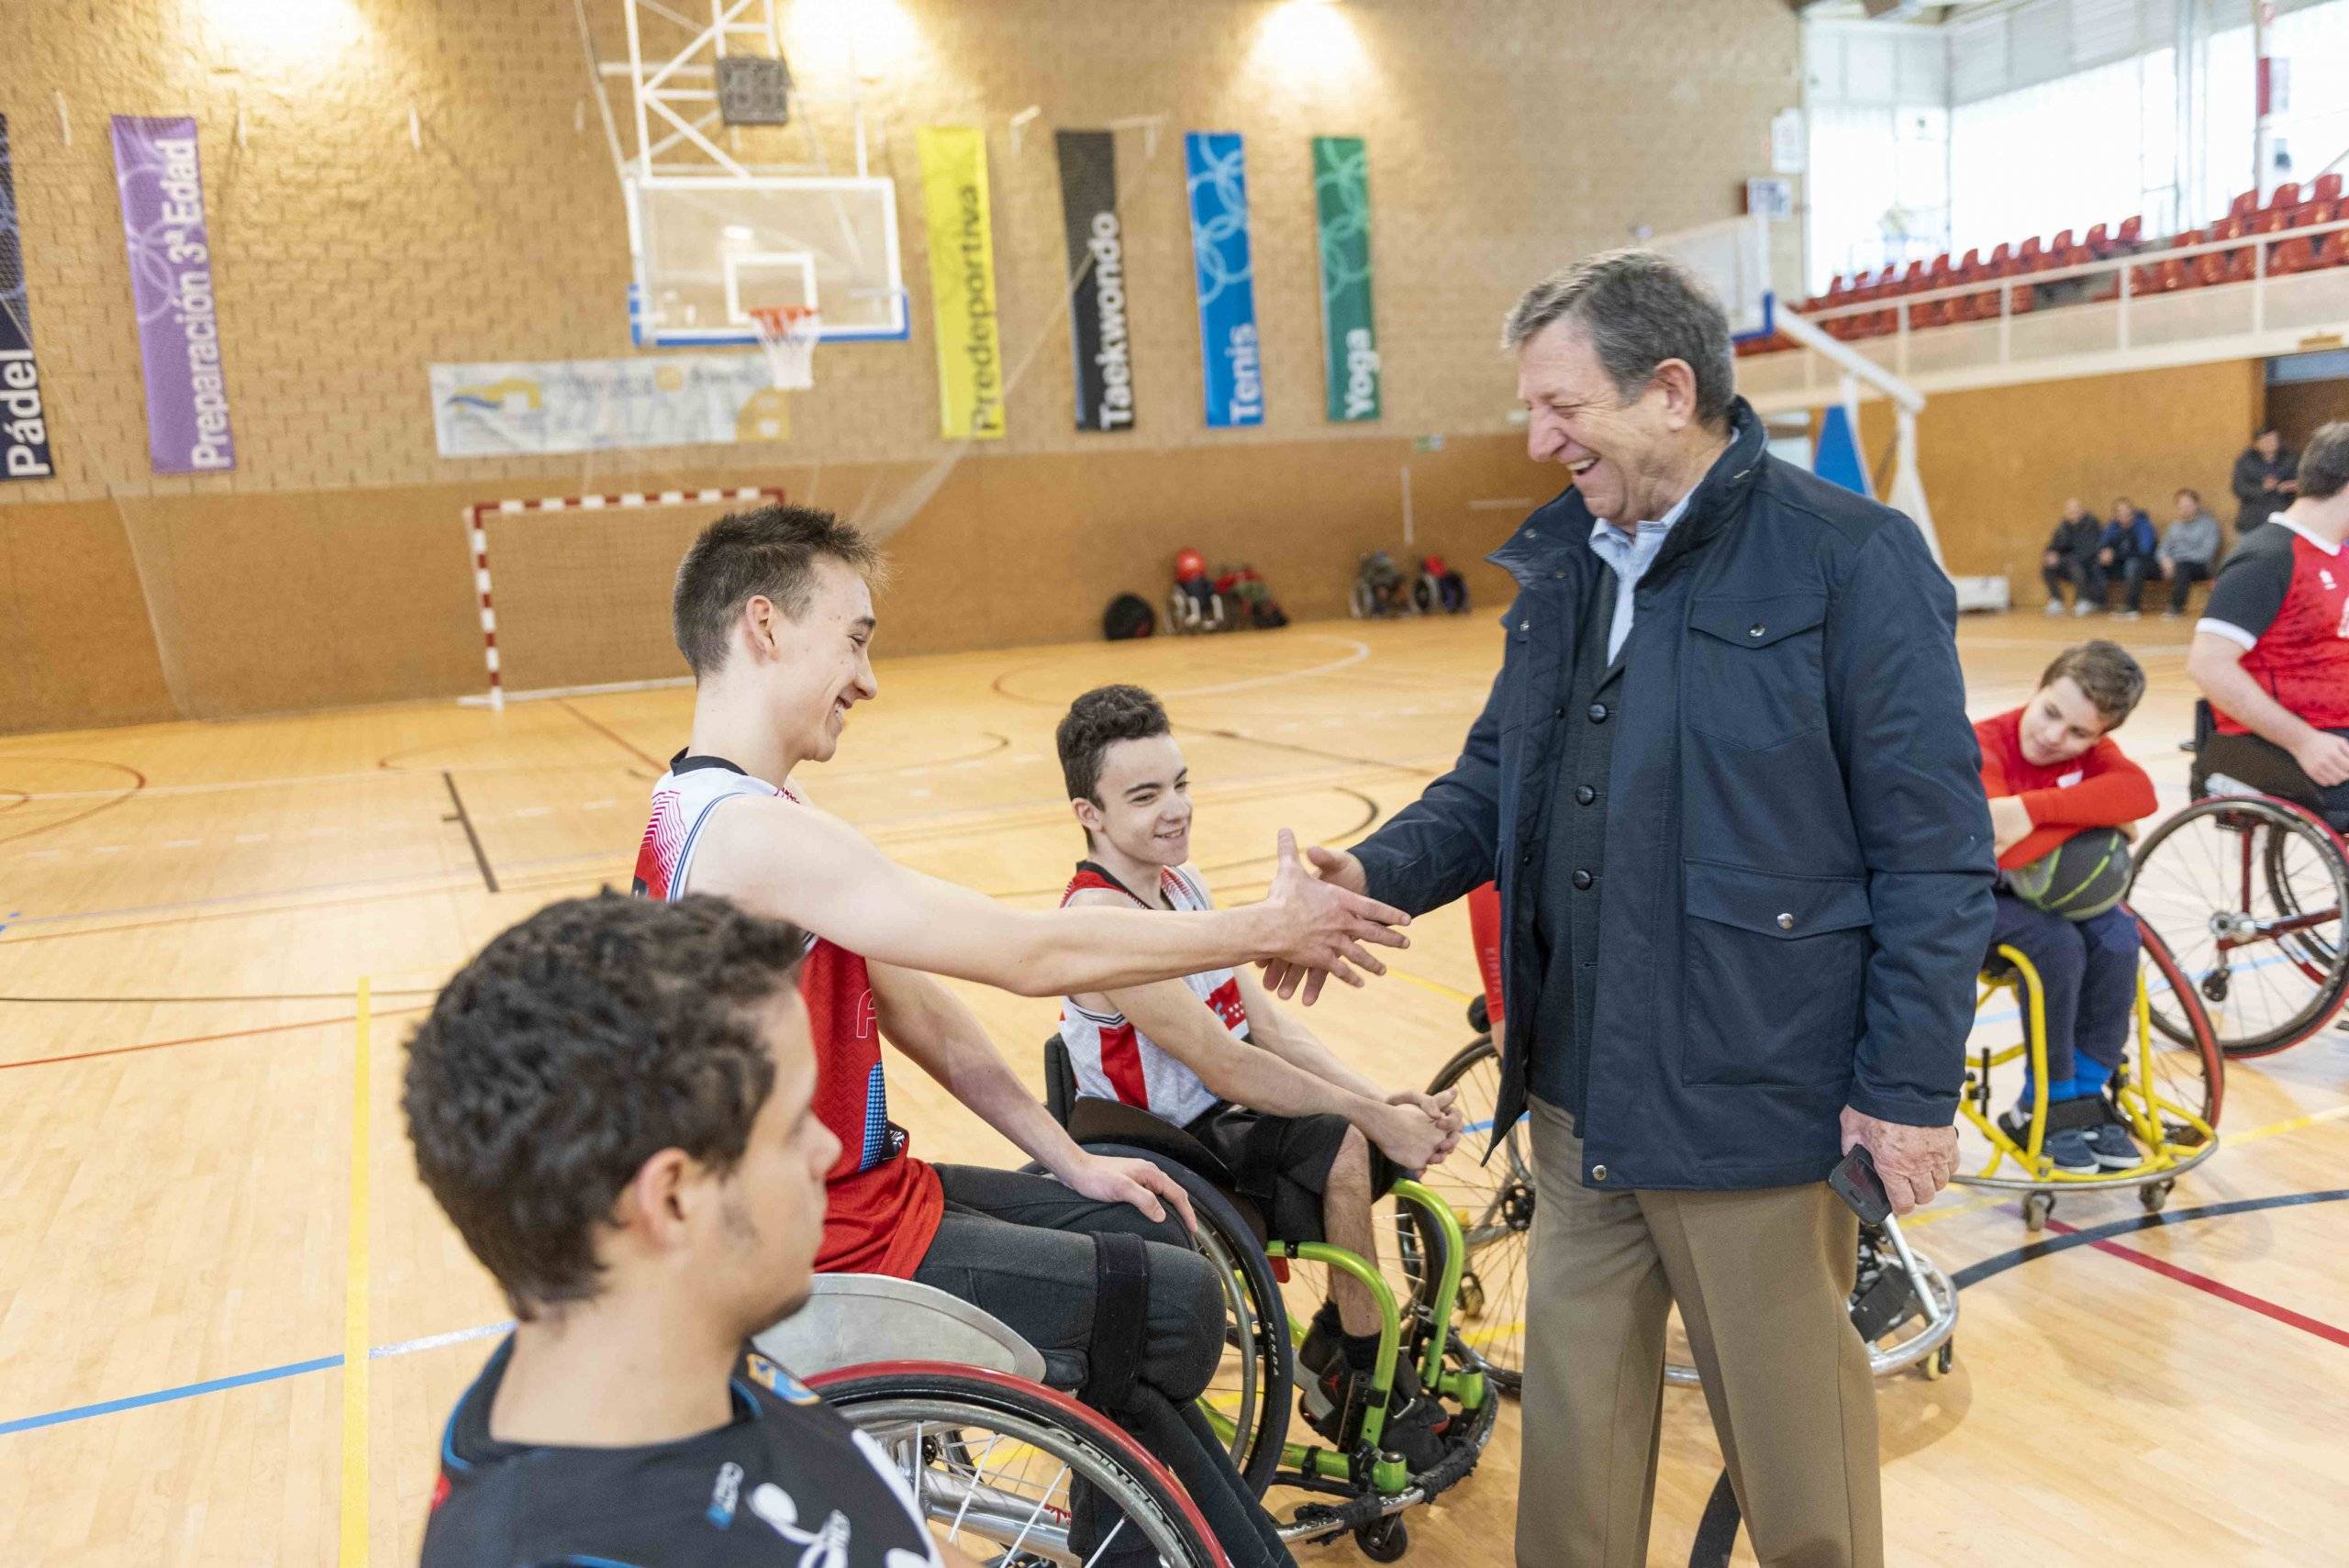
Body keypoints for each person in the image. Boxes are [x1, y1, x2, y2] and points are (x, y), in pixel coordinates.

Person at [1275, 250, 1995, 1568]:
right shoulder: (1568, 565)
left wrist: (1906, 1089)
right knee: (1574, 1480)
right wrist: (1370, 874)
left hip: (1755, 1104)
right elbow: (1499, 777)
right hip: (1576, 1102)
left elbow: (1936, 854)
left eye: (1564, 408)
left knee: (1805, 1483)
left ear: (1673, 391)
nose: (1539, 439)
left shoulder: (1850, 560)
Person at [630, 505, 1396, 1568]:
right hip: (824, 1241)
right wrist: (1269, 924)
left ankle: (1199, 1544)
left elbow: (924, 1010)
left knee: (1153, 1235)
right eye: (854, 636)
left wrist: (1071, 1155)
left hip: (861, 1196)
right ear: (763, 624)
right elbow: (1027, 953)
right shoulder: (749, 834)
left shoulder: (728, 807)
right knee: (1172, 1308)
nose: (869, 676)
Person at [407, 892, 971, 1568]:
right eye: (795, 1126)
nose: (826, 1149)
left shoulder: (679, 1354)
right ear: (673, 1200)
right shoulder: (559, 1545)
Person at [1051, 683, 1466, 1462]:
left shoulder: (1180, 883)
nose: (1174, 808)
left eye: (1180, 784)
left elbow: (1264, 1023)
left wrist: (1381, 1099)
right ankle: (1363, 1373)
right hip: (1162, 1140)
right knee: (1345, 1141)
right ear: (1090, 815)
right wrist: (1372, 1119)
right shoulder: (1100, 925)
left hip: (1218, 1118)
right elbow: (1229, 1063)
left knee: (1357, 1132)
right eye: (1145, 795)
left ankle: (1345, 1343)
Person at [1976, 643, 2157, 1173]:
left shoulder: (2092, 758)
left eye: (2079, 733)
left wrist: (2033, 812)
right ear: (2039, 687)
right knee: (2057, 946)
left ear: (2102, 735)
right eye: (2051, 713)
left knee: (2120, 938)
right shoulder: (1982, 743)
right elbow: (2003, 845)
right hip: (1978, 899)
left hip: (2049, 899)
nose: (2055, 737)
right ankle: (2045, 1097)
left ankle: (2085, 1094)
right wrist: (2097, 816)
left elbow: (2139, 792)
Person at [2188, 421, 2349, 822]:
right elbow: (2208, 666)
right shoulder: (2268, 558)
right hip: (2286, 743)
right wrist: (2304, 742)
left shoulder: (2338, 554)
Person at [2155, 487, 2223, 618]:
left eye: (2188, 505)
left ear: (2196, 505)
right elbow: (2162, 549)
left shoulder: (2209, 524)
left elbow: (2206, 553)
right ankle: (2132, 607)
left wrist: (2176, 561)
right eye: (2181, 506)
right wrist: (2165, 560)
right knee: (2140, 565)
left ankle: (2176, 607)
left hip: (2200, 566)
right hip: (2174, 564)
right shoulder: (2174, 526)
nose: (2185, 509)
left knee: (2183, 567)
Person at [2230, 427, 2299, 542]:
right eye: (2266, 440)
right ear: (2256, 443)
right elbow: (2239, 488)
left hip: (2282, 517)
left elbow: (2302, 482)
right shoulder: (2246, 461)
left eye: (2274, 439)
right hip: (2252, 519)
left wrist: (2291, 486)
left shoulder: (2290, 459)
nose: (2271, 443)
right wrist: (2263, 488)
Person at [2042, 497, 2106, 616]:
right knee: (2048, 565)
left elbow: (2088, 550)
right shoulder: (2063, 527)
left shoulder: (2091, 523)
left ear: (2081, 510)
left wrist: (2062, 559)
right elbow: (2054, 545)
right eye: (2070, 511)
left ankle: (2083, 600)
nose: (2073, 513)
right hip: (2068, 563)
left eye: (2076, 510)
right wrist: (2050, 553)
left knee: (2074, 565)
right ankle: (2057, 600)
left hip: (2088, 564)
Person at [2098, 495, 2159, 618]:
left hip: (2146, 565)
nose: (2124, 515)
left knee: (2133, 564)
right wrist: (2105, 551)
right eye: (2120, 513)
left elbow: (2144, 551)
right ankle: (2097, 602)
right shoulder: (2112, 527)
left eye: (2127, 512)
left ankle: (2132, 607)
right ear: (2116, 515)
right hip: (2121, 563)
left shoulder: (2144, 525)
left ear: (2133, 511)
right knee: (2097, 563)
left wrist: (2115, 554)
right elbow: (2102, 544)